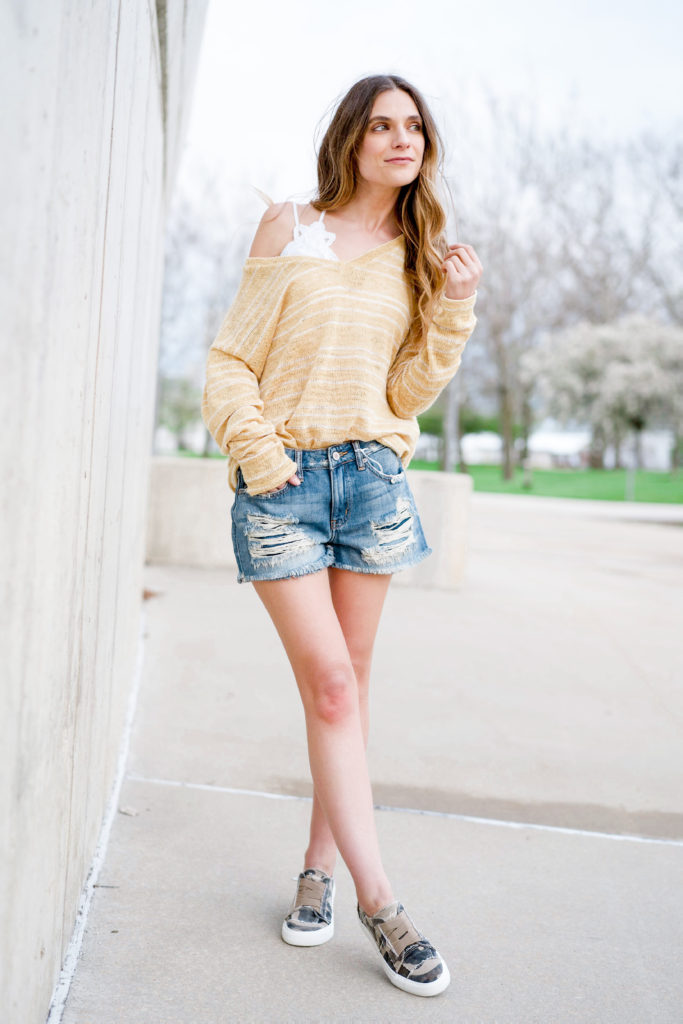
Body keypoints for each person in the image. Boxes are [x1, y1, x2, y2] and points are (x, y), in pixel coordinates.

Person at [202, 73, 482, 998]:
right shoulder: (291, 227)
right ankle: (382, 903)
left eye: (413, 127)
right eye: (381, 126)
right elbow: (232, 358)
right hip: (282, 482)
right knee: (329, 688)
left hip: (370, 483)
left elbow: (404, 397)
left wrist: (451, 310)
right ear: (351, 141)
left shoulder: (420, 253)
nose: (400, 139)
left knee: (345, 698)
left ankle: (316, 871)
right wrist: (257, 449)